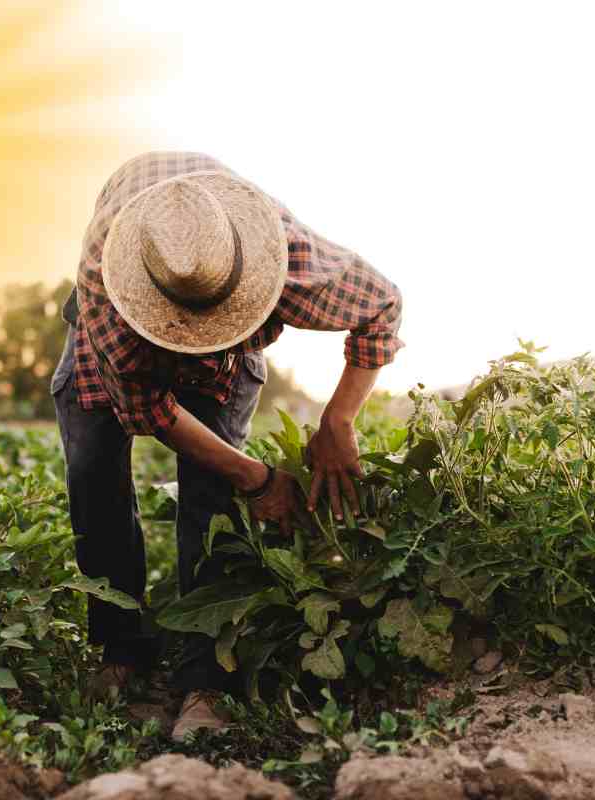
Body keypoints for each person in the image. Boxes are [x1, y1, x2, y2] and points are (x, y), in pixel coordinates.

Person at [51, 152, 403, 741]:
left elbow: (383, 307)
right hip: (113, 341)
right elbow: (149, 411)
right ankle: (122, 646)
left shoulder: (285, 257)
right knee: (93, 477)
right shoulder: (106, 288)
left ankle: (206, 678)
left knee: (212, 500)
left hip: (230, 338)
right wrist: (259, 478)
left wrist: (338, 420)